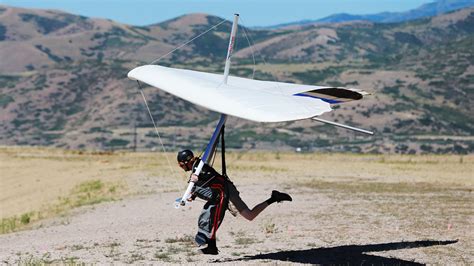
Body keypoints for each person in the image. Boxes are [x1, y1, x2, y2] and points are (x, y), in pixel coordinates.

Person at [177, 149, 292, 255]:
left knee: (249, 215)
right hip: (220, 193)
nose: (181, 167)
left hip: (227, 192)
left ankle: (274, 198)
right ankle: (211, 247)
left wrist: (197, 183)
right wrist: (194, 193)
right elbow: (202, 183)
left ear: (186, 162)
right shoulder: (196, 168)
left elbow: (212, 178)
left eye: (181, 165)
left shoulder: (200, 168)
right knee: (217, 214)